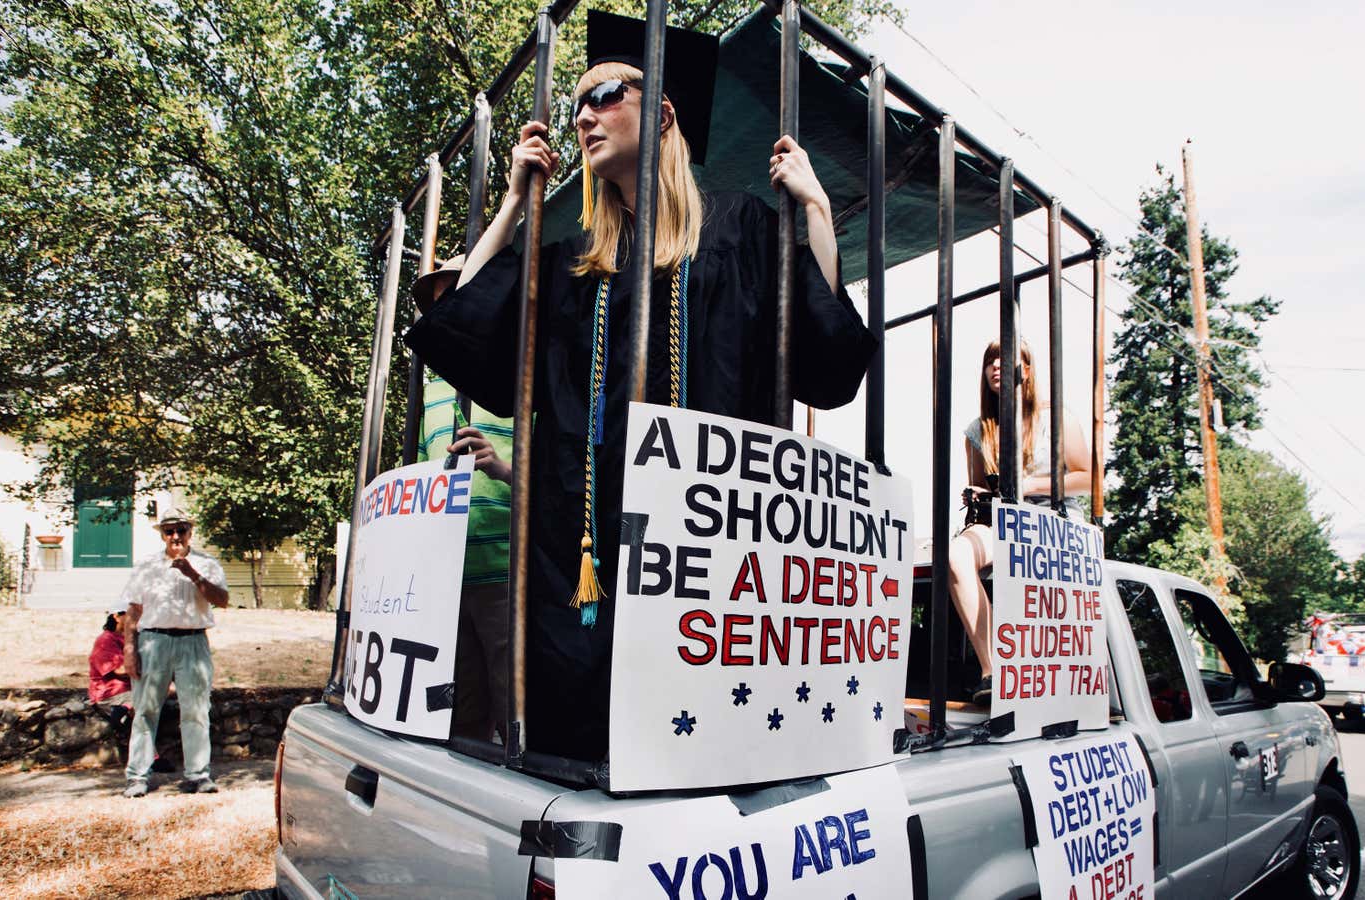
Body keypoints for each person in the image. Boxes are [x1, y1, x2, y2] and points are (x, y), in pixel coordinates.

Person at [404, 10, 875, 759]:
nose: (583, 116)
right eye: (577, 103)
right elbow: (458, 316)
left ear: (659, 112)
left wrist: (815, 206)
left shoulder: (742, 231)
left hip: (710, 570)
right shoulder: (571, 266)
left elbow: (825, 351)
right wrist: (515, 201)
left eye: (605, 95)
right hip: (584, 577)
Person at [948, 338, 1091, 703]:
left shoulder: (1057, 417)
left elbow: (1088, 477)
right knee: (955, 556)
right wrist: (977, 495)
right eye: (990, 360)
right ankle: (993, 670)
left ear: (1026, 369)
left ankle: (1053, 673)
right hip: (1002, 521)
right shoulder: (978, 431)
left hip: (1052, 520)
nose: (996, 365)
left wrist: (1029, 485)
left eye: (1006, 358)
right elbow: (980, 487)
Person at [415, 370, 514, 742]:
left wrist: (502, 469)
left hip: (507, 575)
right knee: (461, 718)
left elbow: (558, 479)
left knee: (515, 713)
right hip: (446, 580)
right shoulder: (431, 394)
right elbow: (420, 478)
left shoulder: (522, 387)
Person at [119, 507, 229, 798]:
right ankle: (137, 776)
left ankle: (198, 775)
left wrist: (192, 574)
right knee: (145, 709)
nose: (176, 536)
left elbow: (223, 600)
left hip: (193, 641)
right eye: (170, 530)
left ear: (190, 532)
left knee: (195, 710)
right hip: (153, 641)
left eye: (181, 529)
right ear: (162, 535)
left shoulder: (206, 563)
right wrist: (130, 649)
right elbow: (133, 610)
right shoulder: (146, 566)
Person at [89, 601, 133, 726]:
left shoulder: (130, 637)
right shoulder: (105, 640)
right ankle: (122, 716)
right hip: (112, 693)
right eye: (131, 615)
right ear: (117, 616)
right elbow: (120, 670)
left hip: (130, 687)